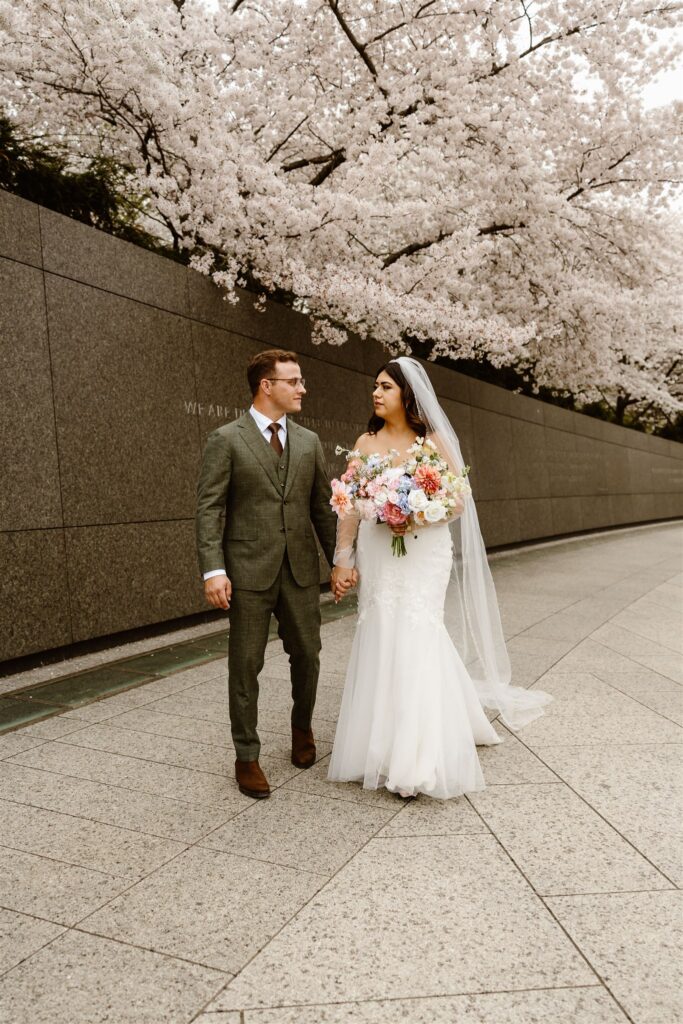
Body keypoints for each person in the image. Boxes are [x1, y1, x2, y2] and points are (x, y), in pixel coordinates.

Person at [328, 357, 551, 800]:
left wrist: (412, 515)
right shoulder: (365, 443)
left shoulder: (432, 443)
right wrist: (342, 558)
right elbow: (349, 505)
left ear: (407, 397)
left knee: (417, 629)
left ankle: (415, 759)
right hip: (380, 553)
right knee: (382, 629)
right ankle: (383, 740)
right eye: (375, 385)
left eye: (386, 387)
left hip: (423, 550)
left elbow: (457, 502)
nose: (376, 393)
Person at [195, 348, 352, 799]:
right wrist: (213, 570)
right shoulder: (225, 439)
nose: (302, 388)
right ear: (268, 385)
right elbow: (209, 509)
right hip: (246, 572)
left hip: (300, 569)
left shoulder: (309, 442)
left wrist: (339, 561)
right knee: (246, 665)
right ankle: (247, 756)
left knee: (309, 654)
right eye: (294, 381)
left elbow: (323, 510)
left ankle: (301, 729)